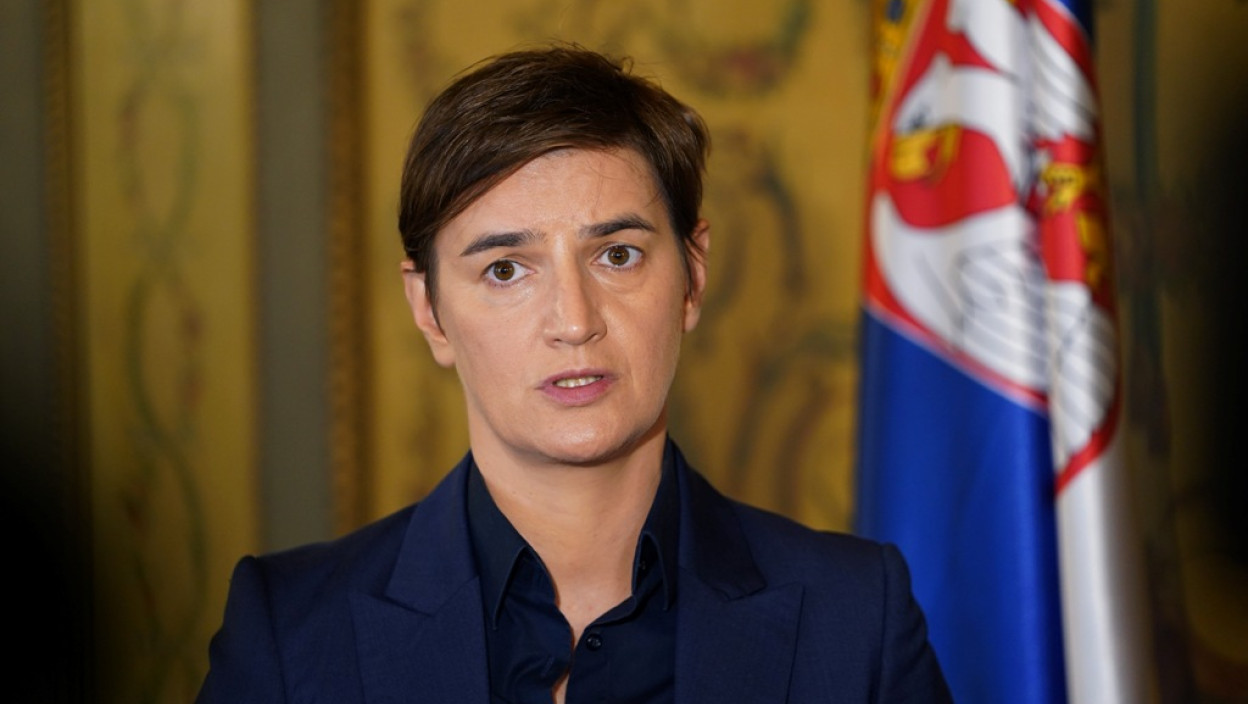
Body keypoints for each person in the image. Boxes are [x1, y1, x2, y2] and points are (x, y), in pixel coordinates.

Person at [197, 45, 951, 703]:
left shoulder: (856, 617)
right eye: (505, 269)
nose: (573, 320)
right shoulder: (290, 631)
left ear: (692, 276)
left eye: (617, 255)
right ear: (428, 309)